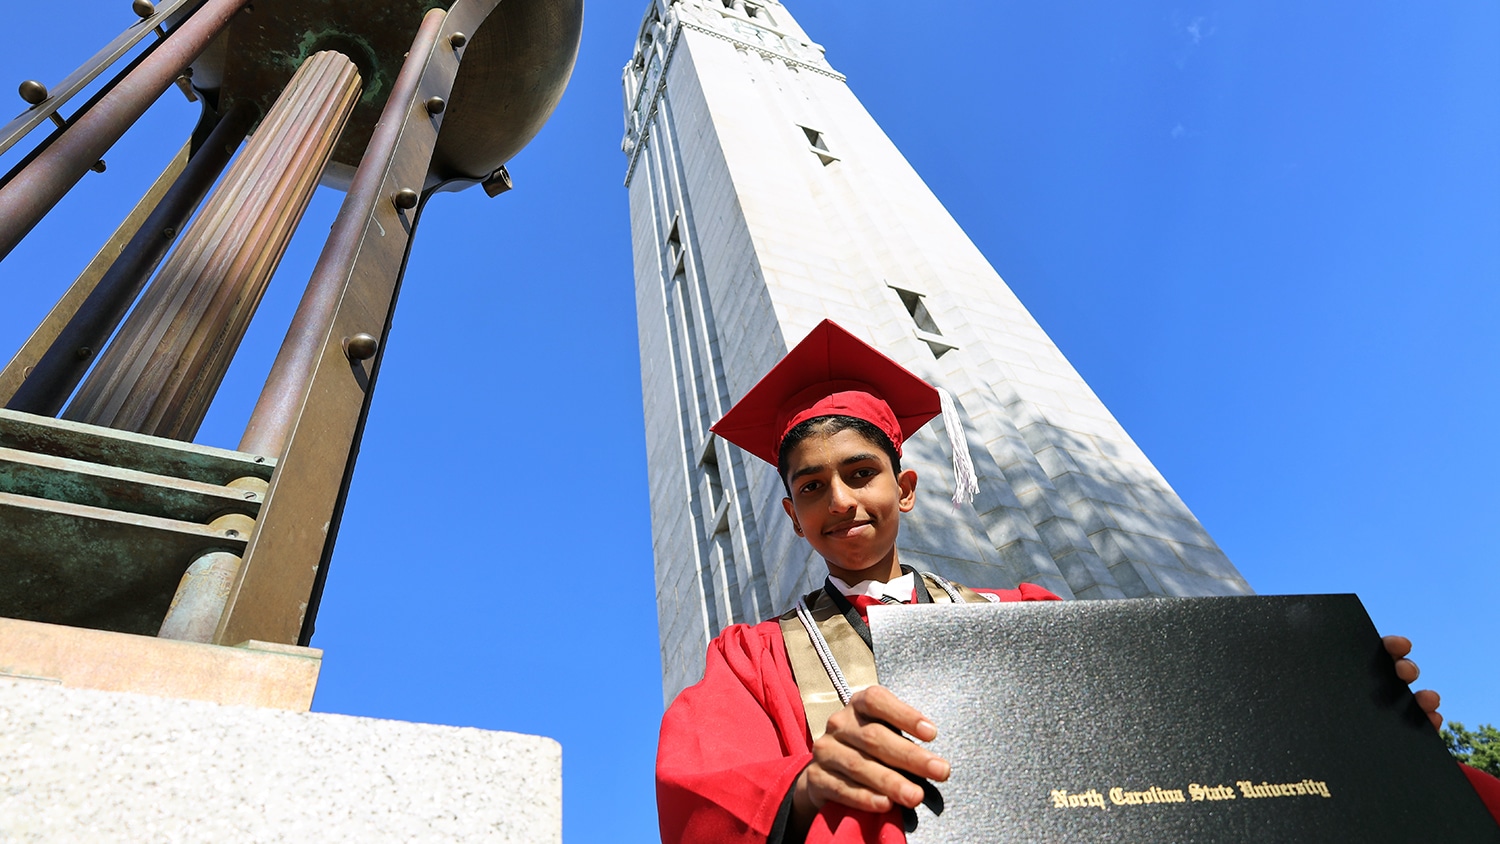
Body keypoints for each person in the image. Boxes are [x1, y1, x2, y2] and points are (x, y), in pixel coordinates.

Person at [655, 320, 1498, 843]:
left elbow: (1178, 740)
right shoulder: (751, 656)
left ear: (903, 487)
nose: (840, 501)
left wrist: (1345, 720)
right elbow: (705, 791)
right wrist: (805, 784)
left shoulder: (1023, 616)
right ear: (793, 515)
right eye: (810, 488)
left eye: (860, 472)